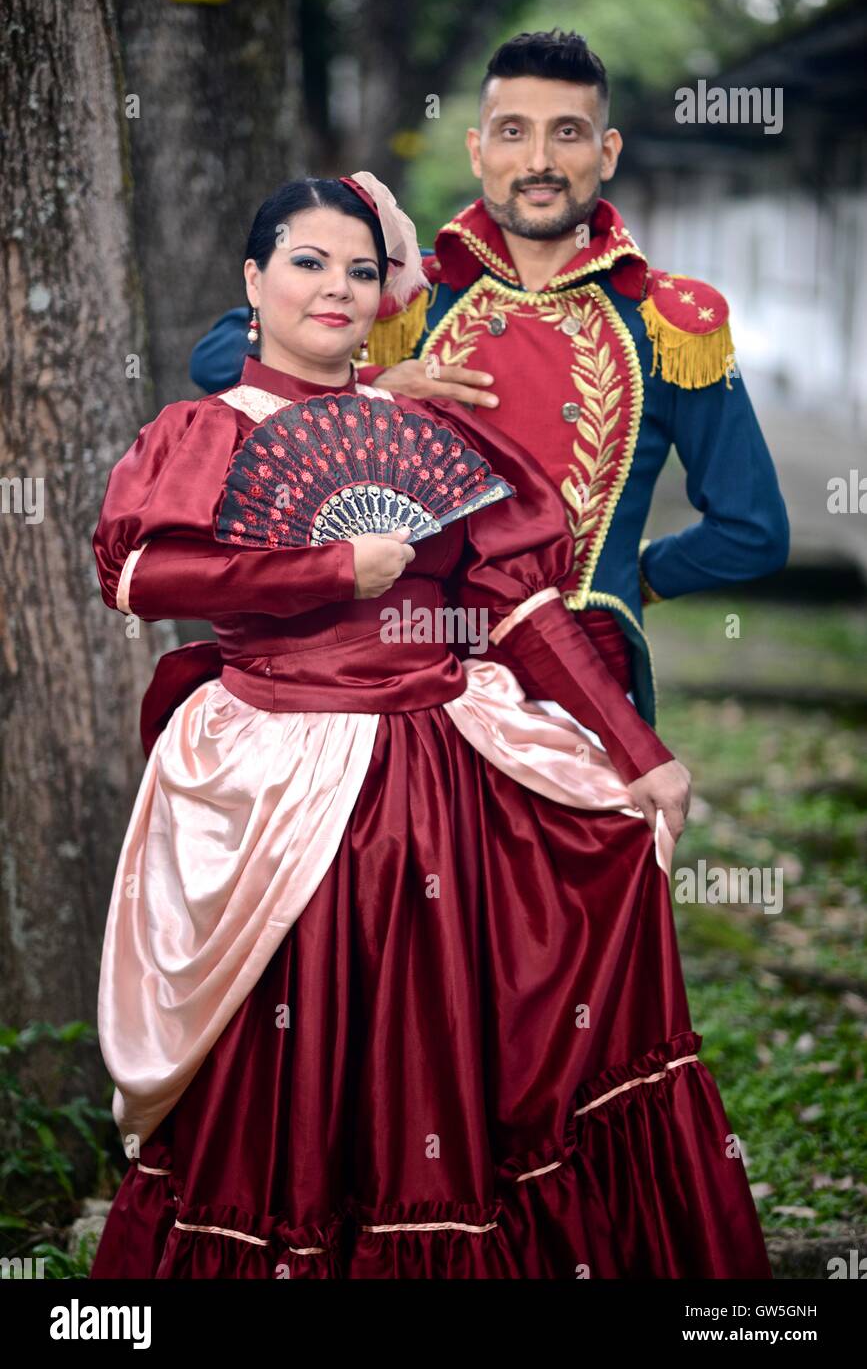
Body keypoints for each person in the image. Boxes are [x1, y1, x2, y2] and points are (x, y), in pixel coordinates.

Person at [88, 172, 772, 1279]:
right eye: (307, 262)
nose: (338, 288)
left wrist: (638, 752)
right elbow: (141, 573)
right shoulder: (204, 428)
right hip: (275, 776)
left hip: (439, 773)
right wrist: (328, 567)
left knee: (438, 1046)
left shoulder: (426, 429)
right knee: (293, 1051)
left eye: (361, 269)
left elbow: (525, 607)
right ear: (252, 282)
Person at [190, 30, 789, 733]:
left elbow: (751, 530)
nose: (538, 161)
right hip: (410, 671)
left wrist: (627, 579)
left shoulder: (669, 321)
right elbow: (223, 351)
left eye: (566, 132)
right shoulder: (408, 295)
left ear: (607, 151)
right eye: (513, 132)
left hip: (580, 683)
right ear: (478, 151)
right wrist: (378, 381)